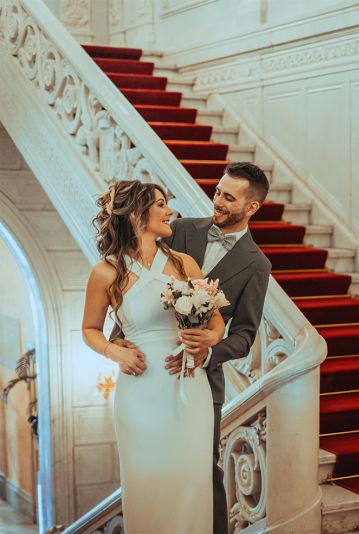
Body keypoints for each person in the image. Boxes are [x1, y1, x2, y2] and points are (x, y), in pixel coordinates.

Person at [111, 162, 272, 533]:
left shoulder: (257, 265)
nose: (217, 200)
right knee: (148, 465)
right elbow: (135, 278)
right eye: (218, 191)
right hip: (149, 376)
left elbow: (245, 334)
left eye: (229, 198)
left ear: (252, 208)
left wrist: (210, 350)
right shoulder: (178, 230)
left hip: (201, 381)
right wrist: (118, 337)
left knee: (202, 472)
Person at [83, 180, 223, 532]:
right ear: (135, 214)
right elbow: (90, 329)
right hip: (140, 392)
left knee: (192, 481)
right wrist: (114, 351)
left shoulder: (184, 264)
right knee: (148, 485)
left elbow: (217, 321)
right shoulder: (106, 272)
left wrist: (206, 341)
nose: (170, 211)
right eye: (160, 204)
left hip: (189, 387)